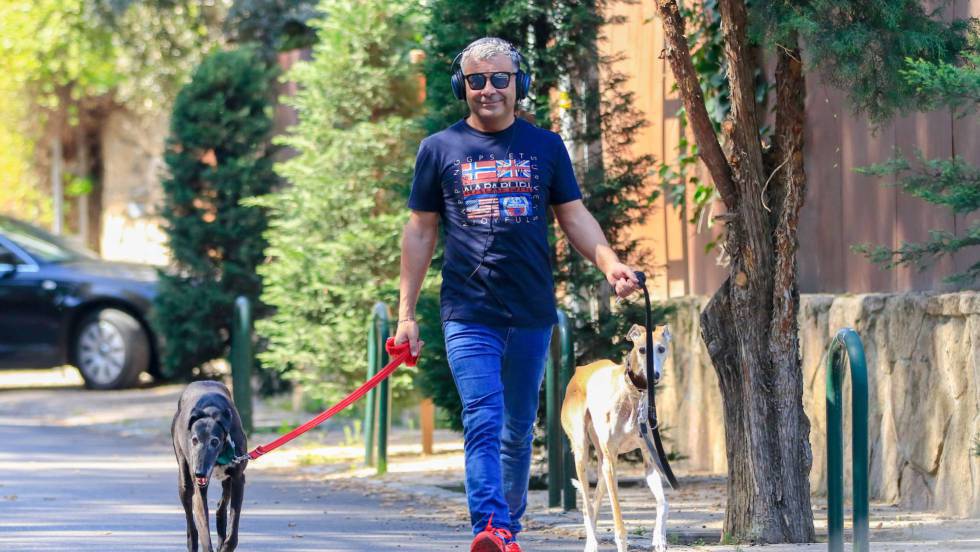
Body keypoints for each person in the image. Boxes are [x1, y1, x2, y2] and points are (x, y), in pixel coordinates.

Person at [394, 37, 639, 552]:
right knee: (483, 416)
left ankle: (507, 529)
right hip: (468, 310)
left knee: (517, 426)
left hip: (531, 311)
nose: (489, 89)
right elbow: (420, 230)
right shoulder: (439, 149)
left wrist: (611, 264)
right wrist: (405, 314)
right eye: (477, 80)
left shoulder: (545, 147)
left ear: (518, 84)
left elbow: (573, 215)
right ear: (463, 86)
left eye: (500, 78)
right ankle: (489, 525)